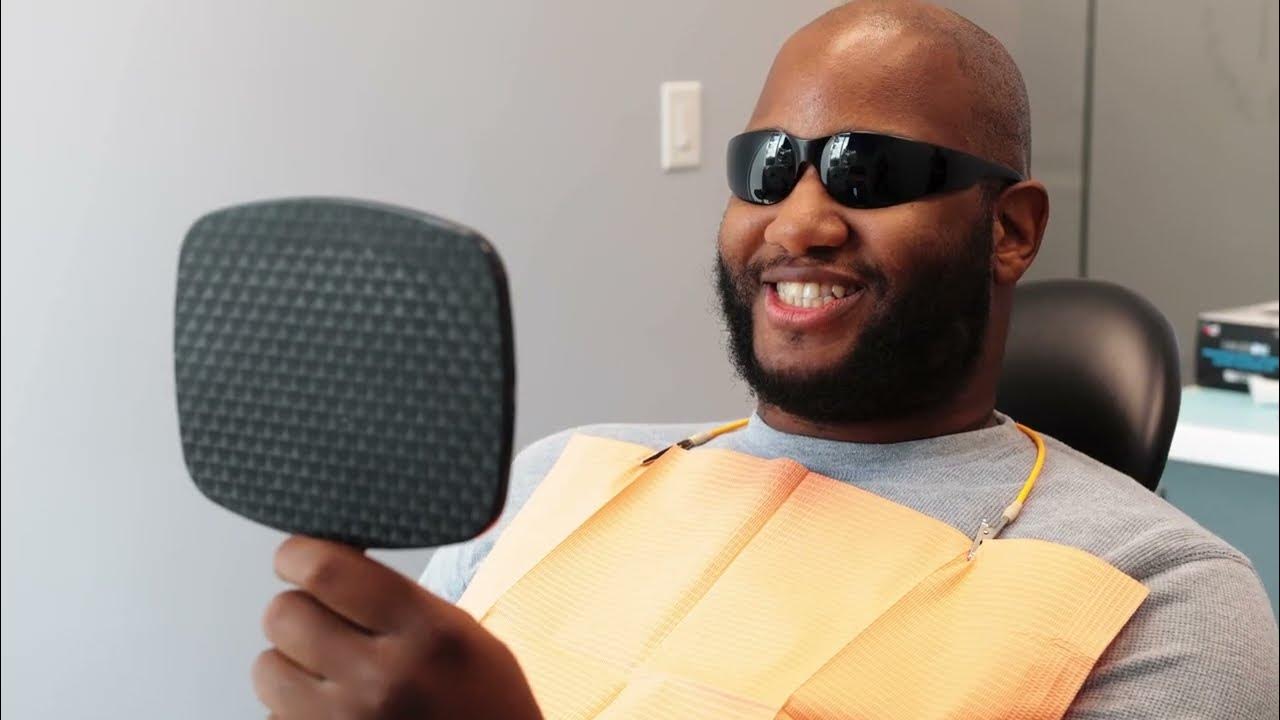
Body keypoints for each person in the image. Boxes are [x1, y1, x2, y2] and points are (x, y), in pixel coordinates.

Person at [250, 1, 1280, 718]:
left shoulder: (1162, 596)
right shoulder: (562, 475)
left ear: (1008, 231)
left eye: (863, 172)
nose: (800, 221)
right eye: (767, 169)